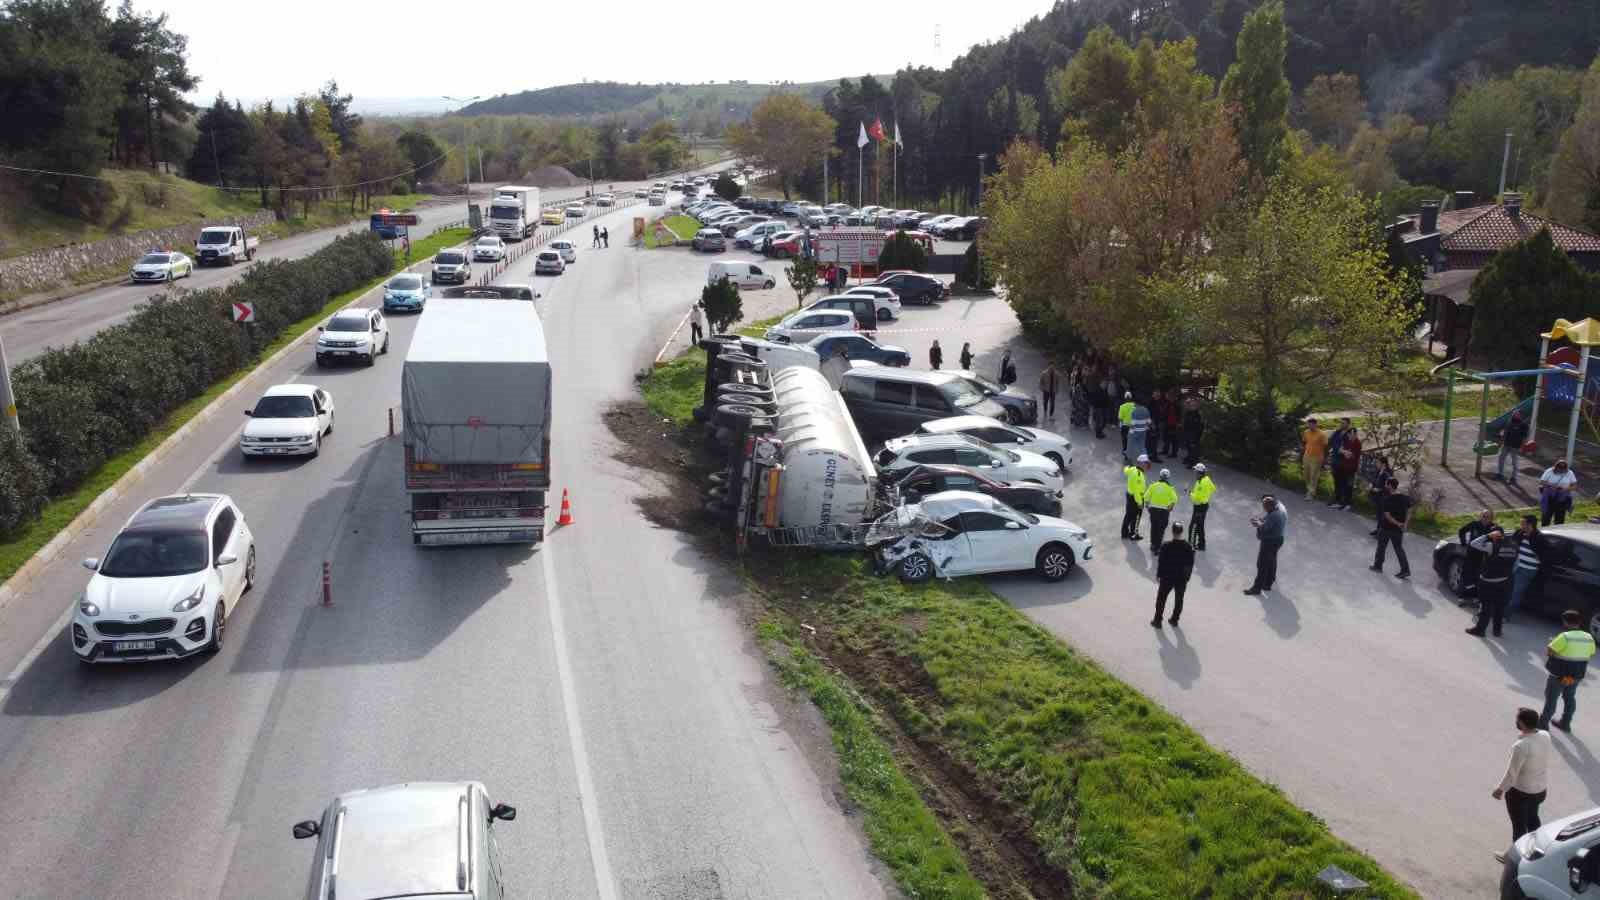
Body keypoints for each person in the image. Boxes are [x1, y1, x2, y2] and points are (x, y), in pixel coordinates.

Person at [1491, 708, 1551, 856]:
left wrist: (1500, 789)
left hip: (1521, 793)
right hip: (1540, 791)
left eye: (1517, 719)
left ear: (1522, 723)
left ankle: (1514, 857)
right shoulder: (1545, 735)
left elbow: (1512, 773)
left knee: (1519, 826)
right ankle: (1537, 851)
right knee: (1533, 820)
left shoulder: (1521, 746)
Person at [1539, 610, 1596, 731]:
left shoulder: (1565, 636)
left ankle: (1543, 723)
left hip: (1559, 675)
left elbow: (1550, 651)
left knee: (1551, 698)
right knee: (1569, 697)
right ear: (1580, 622)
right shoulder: (1589, 637)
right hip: (1575, 676)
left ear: (1565, 622)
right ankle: (1565, 723)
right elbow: (1591, 653)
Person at [1466, 526, 1518, 637]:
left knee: (1486, 607)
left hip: (1488, 582)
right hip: (1505, 582)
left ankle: (1480, 630)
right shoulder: (1514, 546)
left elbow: (1473, 543)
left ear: (1494, 535)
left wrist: (1487, 536)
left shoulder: (1491, 546)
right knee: (1499, 608)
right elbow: (1515, 564)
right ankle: (1497, 631)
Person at [1152, 522, 1195, 627]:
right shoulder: (1189, 547)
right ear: (1182, 532)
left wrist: (1159, 575)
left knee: (1161, 599)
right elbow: (1190, 565)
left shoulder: (1166, 546)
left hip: (1167, 577)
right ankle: (1174, 619)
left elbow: (1161, 563)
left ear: (1172, 532)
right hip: (1181, 578)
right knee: (1179, 600)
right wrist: (1187, 578)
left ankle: (1157, 620)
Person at [1370, 477, 1412, 578]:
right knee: (1399, 549)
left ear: (1389, 486)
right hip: (1398, 530)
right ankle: (1405, 570)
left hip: (1386, 528)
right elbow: (1410, 510)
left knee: (1381, 547)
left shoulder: (1387, 499)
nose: (1385, 485)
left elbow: (1387, 516)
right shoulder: (1404, 497)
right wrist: (1405, 524)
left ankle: (1378, 566)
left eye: (1386, 484)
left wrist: (1398, 523)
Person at [1244, 495, 1286, 595]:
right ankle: (1268, 583)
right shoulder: (1275, 510)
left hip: (1270, 542)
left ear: (1270, 506)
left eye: (1264, 506)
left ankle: (1256, 588)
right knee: (1271, 561)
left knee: (1261, 564)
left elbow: (1264, 528)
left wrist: (1257, 524)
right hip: (1277, 540)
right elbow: (1265, 520)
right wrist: (1260, 519)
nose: (1263, 508)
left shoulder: (1274, 515)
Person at [1507, 516, 1543, 620]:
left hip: (1527, 570)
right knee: (1508, 589)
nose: (1520, 525)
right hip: (1516, 566)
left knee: (1515, 593)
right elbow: (1512, 543)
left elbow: (1547, 552)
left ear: (1530, 525)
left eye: (1523, 523)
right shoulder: (1520, 533)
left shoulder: (1538, 537)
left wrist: (1540, 557)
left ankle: (1506, 615)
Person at [1457, 510, 1496, 603]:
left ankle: (1475, 597)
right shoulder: (1474, 524)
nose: (1485, 519)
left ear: (1491, 518)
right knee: (1466, 575)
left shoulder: (1493, 528)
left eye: (1488, 517)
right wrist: (1463, 543)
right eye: (1484, 516)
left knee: (1478, 578)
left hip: (1483, 556)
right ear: (1480, 516)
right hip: (1470, 554)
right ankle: (1461, 597)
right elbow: (1461, 531)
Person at [1145, 469, 1178, 553]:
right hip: (1164, 512)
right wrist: (1171, 506)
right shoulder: (1170, 488)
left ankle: (1153, 544)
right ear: (1168, 478)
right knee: (1161, 529)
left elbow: (1146, 497)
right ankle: (1158, 547)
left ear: (1160, 476)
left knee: (1154, 527)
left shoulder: (1153, 486)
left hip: (1153, 511)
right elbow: (1175, 499)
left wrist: (1147, 506)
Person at [1329, 425, 1362, 510]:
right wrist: (1345, 452)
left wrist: (1344, 452)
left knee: (1349, 486)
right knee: (1341, 484)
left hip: (1351, 468)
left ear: (1356, 434)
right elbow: (1340, 450)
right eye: (1350, 434)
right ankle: (1339, 502)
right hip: (1343, 467)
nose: (1351, 436)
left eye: (1354, 434)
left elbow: (1349, 455)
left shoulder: (1357, 443)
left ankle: (1348, 504)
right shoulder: (1346, 441)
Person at [1538, 459, 1578, 526]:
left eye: (1563, 469)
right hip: (1549, 498)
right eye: (1559, 469)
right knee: (1546, 517)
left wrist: (1565, 489)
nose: (1561, 471)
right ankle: (1544, 530)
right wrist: (1552, 486)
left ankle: (1558, 530)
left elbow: (1574, 486)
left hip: (1562, 498)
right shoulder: (1549, 471)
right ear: (1556, 467)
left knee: (1560, 518)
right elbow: (1542, 482)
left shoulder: (1569, 473)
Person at [1498, 410, 1530, 485]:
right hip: (1506, 444)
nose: (1515, 415)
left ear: (1520, 416)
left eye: (1517, 414)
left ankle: (1513, 478)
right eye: (1514, 414)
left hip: (1515, 446)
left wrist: (1523, 446)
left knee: (1514, 462)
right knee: (1501, 459)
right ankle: (1500, 474)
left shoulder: (1524, 425)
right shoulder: (1509, 422)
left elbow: (1525, 437)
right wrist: (1501, 442)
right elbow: (1505, 433)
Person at [1122, 455, 1149, 541]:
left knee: (1129, 515)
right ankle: (1133, 534)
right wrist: (1140, 503)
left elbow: (1126, 471)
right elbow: (1137, 491)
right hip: (1137, 498)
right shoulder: (1139, 475)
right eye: (1145, 462)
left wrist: (1126, 466)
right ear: (1140, 463)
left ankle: (1125, 533)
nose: (1147, 464)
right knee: (1136, 517)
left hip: (1130, 495)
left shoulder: (1132, 469)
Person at [1188, 463, 1214, 551]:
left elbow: (1197, 498)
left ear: (1199, 473)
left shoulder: (1201, 483)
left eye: (1196, 472)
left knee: (1193, 527)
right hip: (1204, 505)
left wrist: (1190, 493)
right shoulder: (1207, 479)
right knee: (1200, 526)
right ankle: (1201, 545)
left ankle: (1191, 546)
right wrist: (1206, 496)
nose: (1194, 473)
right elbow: (1213, 488)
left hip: (1199, 507)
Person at [1300, 418, 1328, 501]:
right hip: (1307, 456)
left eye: (1311, 424)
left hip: (1317, 457)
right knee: (1306, 474)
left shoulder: (1322, 434)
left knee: (1313, 476)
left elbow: (1326, 446)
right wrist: (1303, 452)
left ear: (1316, 424)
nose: (1309, 426)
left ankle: (1311, 494)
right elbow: (1304, 442)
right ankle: (1309, 490)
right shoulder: (1306, 432)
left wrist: (1324, 458)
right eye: (1308, 424)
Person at [1367, 456, 1395, 536]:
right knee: (1379, 515)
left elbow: (1389, 486)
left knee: (1383, 516)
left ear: (1383, 464)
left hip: (1384, 497)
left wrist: (1380, 489)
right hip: (1378, 496)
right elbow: (1374, 479)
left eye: (1378, 463)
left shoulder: (1388, 473)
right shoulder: (1379, 471)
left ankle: (1382, 533)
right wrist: (1371, 484)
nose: (1376, 464)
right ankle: (1378, 530)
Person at [1181, 397, 1205, 467]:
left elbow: (1200, 426)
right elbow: (1186, 423)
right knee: (1188, 446)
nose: (1192, 406)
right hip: (1188, 432)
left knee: (1193, 448)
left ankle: (1193, 462)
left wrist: (1196, 435)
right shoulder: (1188, 412)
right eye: (1191, 405)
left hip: (1194, 434)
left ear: (1197, 405)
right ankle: (1189, 458)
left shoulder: (1198, 414)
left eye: (1194, 405)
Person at [1129, 397, 1153, 463]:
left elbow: (1133, 423)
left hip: (1135, 431)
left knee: (1133, 445)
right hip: (1143, 431)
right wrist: (1147, 427)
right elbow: (1149, 422)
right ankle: (1145, 459)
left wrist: (1130, 432)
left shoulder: (1134, 411)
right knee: (1142, 445)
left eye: (1134, 403)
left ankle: (1133, 460)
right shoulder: (1146, 410)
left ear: (1137, 403)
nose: (1133, 404)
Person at [1149, 390, 1169, 461]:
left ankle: (1152, 455)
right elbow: (1150, 415)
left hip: (1158, 423)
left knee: (1154, 440)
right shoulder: (1151, 403)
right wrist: (1152, 424)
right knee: (1153, 440)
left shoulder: (1159, 402)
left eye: (1158, 395)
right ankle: (1153, 456)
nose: (1157, 396)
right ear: (1153, 395)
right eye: (1156, 394)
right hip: (1153, 424)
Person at [1163, 390, 1182, 457]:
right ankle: (1165, 450)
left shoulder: (1177, 405)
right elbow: (1165, 414)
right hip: (1168, 423)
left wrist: (1179, 423)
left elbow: (1180, 415)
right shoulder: (1167, 404)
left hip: (1174, 424)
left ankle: (1174, 453)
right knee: (1166, 438)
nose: (1168, 397)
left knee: (1174, 439)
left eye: (1169, 396)